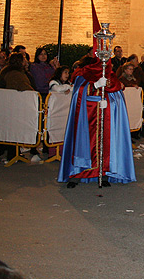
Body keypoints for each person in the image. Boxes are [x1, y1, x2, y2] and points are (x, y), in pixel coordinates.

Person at [58, 55, 136, 187]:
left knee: (105, 144)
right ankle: (77, 173)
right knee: (83, 144)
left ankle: (104, 173)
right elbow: (79, 91)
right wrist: (95, 86)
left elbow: (116, 88)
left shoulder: (108, 73)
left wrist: (110, 98)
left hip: (104, 113)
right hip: (85, 114)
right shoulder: (82, 74)